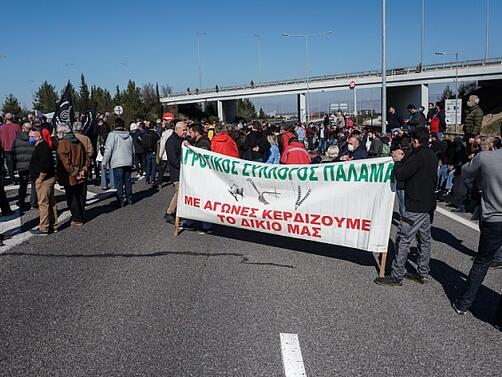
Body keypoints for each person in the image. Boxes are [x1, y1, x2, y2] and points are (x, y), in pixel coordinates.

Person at [375, 127, 438, 286]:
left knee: (403, 240)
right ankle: (423, 273)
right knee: (425, 240)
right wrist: (403, 159)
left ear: (415, 140)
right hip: (428, 204)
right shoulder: (430, 155)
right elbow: (413, 164)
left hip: (415, 207)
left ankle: (397, 276)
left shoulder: (418, 157)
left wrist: (397, 162)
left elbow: (401, 174)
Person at [451, 147, 502, 331]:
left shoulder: (486, 158)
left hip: (493, 217)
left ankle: (464, 303)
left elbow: (465, 171)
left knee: (482, 262)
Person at [56, 123, 89, 226]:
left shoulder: (63, 143)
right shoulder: (78, 141)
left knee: (72, 197)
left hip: (70, 175)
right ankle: (81, 216)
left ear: (62, 132)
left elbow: (65, 162)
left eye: (58, 132)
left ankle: (77, 218)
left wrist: (75, 172)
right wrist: (83, 169)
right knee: (79, 196)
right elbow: (86, 156)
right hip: (79, 172)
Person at [28, 129, 57, 235]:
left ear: (38, 137)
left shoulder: (42, 147)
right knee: (50, 203)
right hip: (47, 178)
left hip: (45, 179)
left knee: (43, 204)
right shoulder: (41, 146)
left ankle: (44, 228)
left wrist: (40, 179)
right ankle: (53, 225)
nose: (30, 138)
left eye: (31, 136)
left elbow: (45, 166)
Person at [102, 118, 135, 207]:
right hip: (127, 161)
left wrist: (104, 161)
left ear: (115, 125)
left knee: (119, 181)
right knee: (128, 181)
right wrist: (133, 160)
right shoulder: (129, 135)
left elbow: (108, 149)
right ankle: (130, 198)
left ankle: (120, 199)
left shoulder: (112, 135)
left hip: (117, 161)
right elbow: (133, 150)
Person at [164, 121, 187, 224]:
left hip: (181, 171)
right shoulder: (172, 141)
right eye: (184, 130)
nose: (185, 132)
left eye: (186, 130)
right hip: (176, 172)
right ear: (177, 129)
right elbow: (173, 160)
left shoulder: (179, 139)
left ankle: (174, 212)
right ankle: (169, 213)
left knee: (181, 193)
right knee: (179, 193)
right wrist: (184, 165)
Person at [14, 122, 35, 210]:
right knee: (34, 183)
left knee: (23, 184)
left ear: (23, 128)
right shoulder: (33, 138)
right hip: (33, 164)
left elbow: (13, 151)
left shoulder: (17, 138)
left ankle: (21, 201)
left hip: (21, 165)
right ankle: (34, 201)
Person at [73, 121, 94, 206]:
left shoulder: (70, 138)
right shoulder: (86, 138)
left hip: (73, 163)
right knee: (83, 185)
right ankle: (82, 201)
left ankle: (75, 203)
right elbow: (90, 152)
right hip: (84, 163)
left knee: (73, 184)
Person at [0, 113, 21, 183]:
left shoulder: (1, 128)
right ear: (13, 118)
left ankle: (12, 179)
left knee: (9, 164)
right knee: (18, 163)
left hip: (6, 148)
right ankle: (20, 177)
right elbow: (20, 136)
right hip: (16, 147)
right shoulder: (17, 126)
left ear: (5, 118)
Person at [156, 119, 174, 188]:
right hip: (173, 154)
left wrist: (160, 154)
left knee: (162, 169)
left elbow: (162, 145)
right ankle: (174, 181)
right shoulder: (174, 133)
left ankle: (159, 183)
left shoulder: (164, 133)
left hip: (165, 155)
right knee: (172, 169)